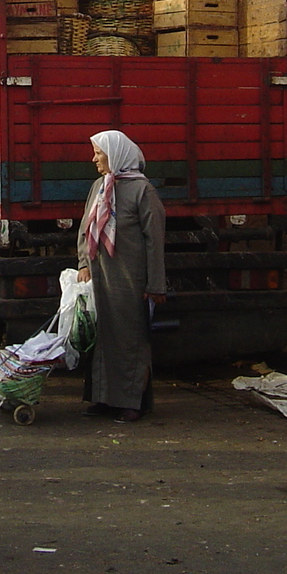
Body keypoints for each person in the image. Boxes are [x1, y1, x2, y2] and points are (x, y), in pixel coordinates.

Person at [76, 131, 166, 423]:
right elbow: (85, 229)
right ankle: (103, 398)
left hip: (130, 280)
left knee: (130, 340)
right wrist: (83, 264)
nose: (94, 160)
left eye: (98, 154)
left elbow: (154, 241)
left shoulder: (143, 192)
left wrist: (154, 284)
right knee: (102, 338)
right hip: (100, 278)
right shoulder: (99, 188)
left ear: (114, 155)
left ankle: (132, 402)